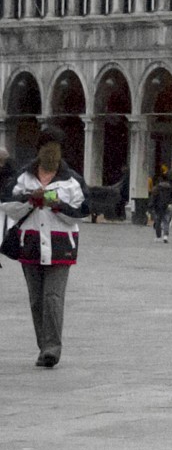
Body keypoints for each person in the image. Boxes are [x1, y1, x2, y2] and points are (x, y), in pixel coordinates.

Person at [10, 128, 86, 367]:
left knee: (52, 297)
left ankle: (52, 349)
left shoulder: (72, 180)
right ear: (39, 150)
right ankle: (44, 345)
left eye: (55, 148)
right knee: (36, 299)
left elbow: (81, 213)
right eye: (46, 147)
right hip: (30, 244)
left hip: (60, 245)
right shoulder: (23, 178)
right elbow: (8, 205)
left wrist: (55, 203)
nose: (50, 152)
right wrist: (30, 199)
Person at [148, 171, 172, 240]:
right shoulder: (170, 188)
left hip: (158, 207)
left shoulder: (156, 188)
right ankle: (165, 236)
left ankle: (158, 236)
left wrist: (151, 206)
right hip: (167, 206)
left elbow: (153, 198)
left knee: (158, 222)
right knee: (166, 221)